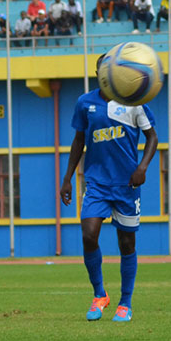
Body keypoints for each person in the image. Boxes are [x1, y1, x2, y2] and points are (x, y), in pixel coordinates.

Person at [60, 55, 158, 323]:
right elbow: (78, 141)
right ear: (99, 73)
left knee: (126, 243)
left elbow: (152, 137)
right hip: (97, 183)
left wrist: (143, 167)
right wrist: (67, 177)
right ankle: (99, 294)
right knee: (88, 235)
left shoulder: (134, 101)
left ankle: (125, 303)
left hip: (127, 185)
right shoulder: (85, 103)